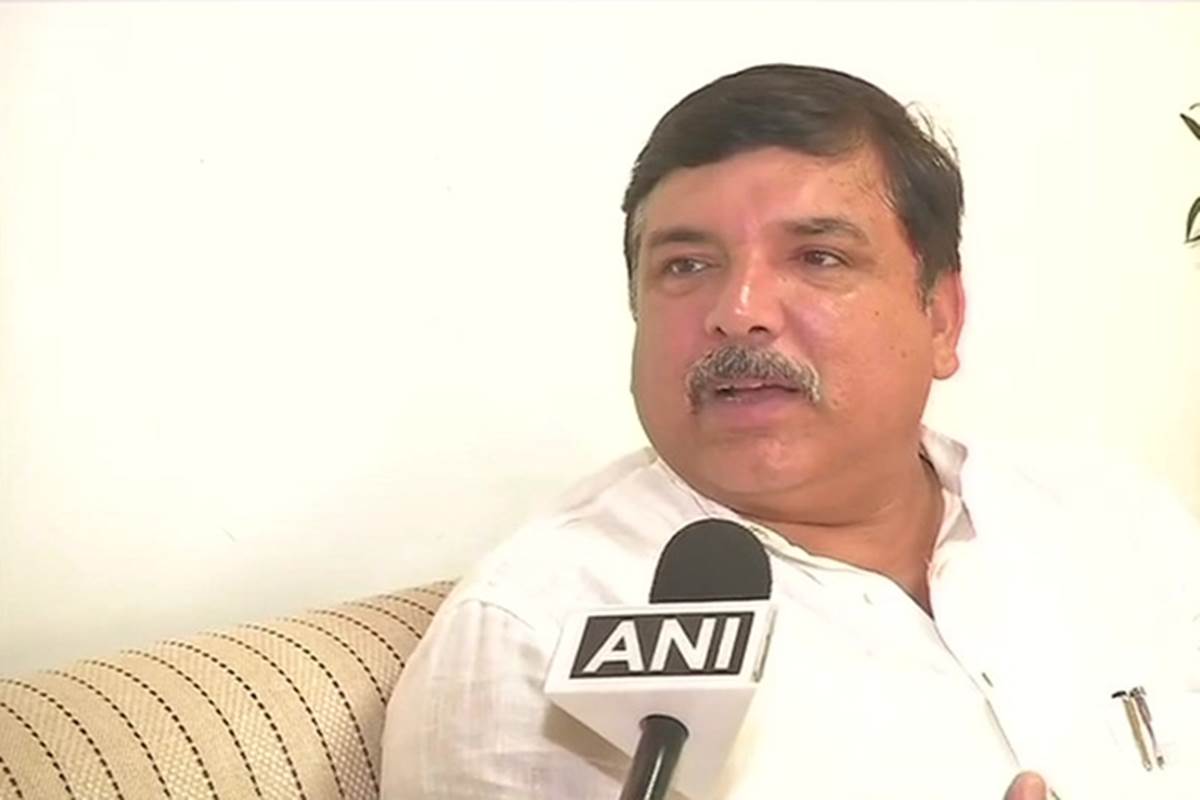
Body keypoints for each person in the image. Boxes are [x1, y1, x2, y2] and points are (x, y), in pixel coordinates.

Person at [379, 64, 1199, 800]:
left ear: (941, 318)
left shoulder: (1117, 518)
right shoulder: (530, 638)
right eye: (686, 266)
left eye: (818, 258)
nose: (739, 312)